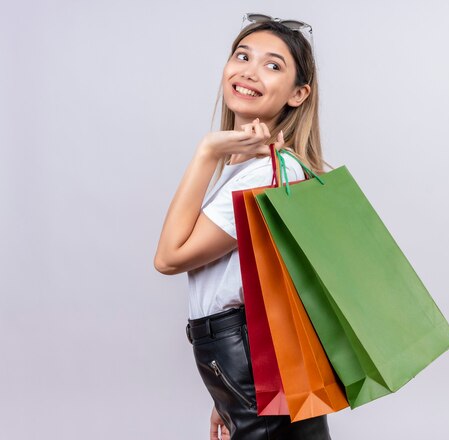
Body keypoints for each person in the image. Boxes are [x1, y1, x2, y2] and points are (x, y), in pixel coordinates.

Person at [154, 13, 332, 440]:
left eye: (273, 65)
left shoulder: (265, 176)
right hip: (240, 363)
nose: (249, 71)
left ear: (298, 93)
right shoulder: (252, 170)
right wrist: (225, 394)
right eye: (242, 55)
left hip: (245, 356)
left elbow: (169, 258)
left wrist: (206, 152)